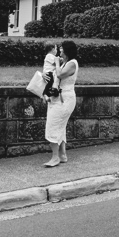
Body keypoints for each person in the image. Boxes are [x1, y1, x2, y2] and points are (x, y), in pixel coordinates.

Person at [43, 39, 79, 167]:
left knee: (52, 126)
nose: (60, 50)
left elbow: (59, 74)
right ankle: (62, 155)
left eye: (62, 48)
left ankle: (55, 158)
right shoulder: (65, 63)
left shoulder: (72, 64)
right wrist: (44, 75)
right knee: (60, 127)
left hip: (64, 100)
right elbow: (52, 74)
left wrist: (57, 63)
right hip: (57, 98)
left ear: (67, 50)